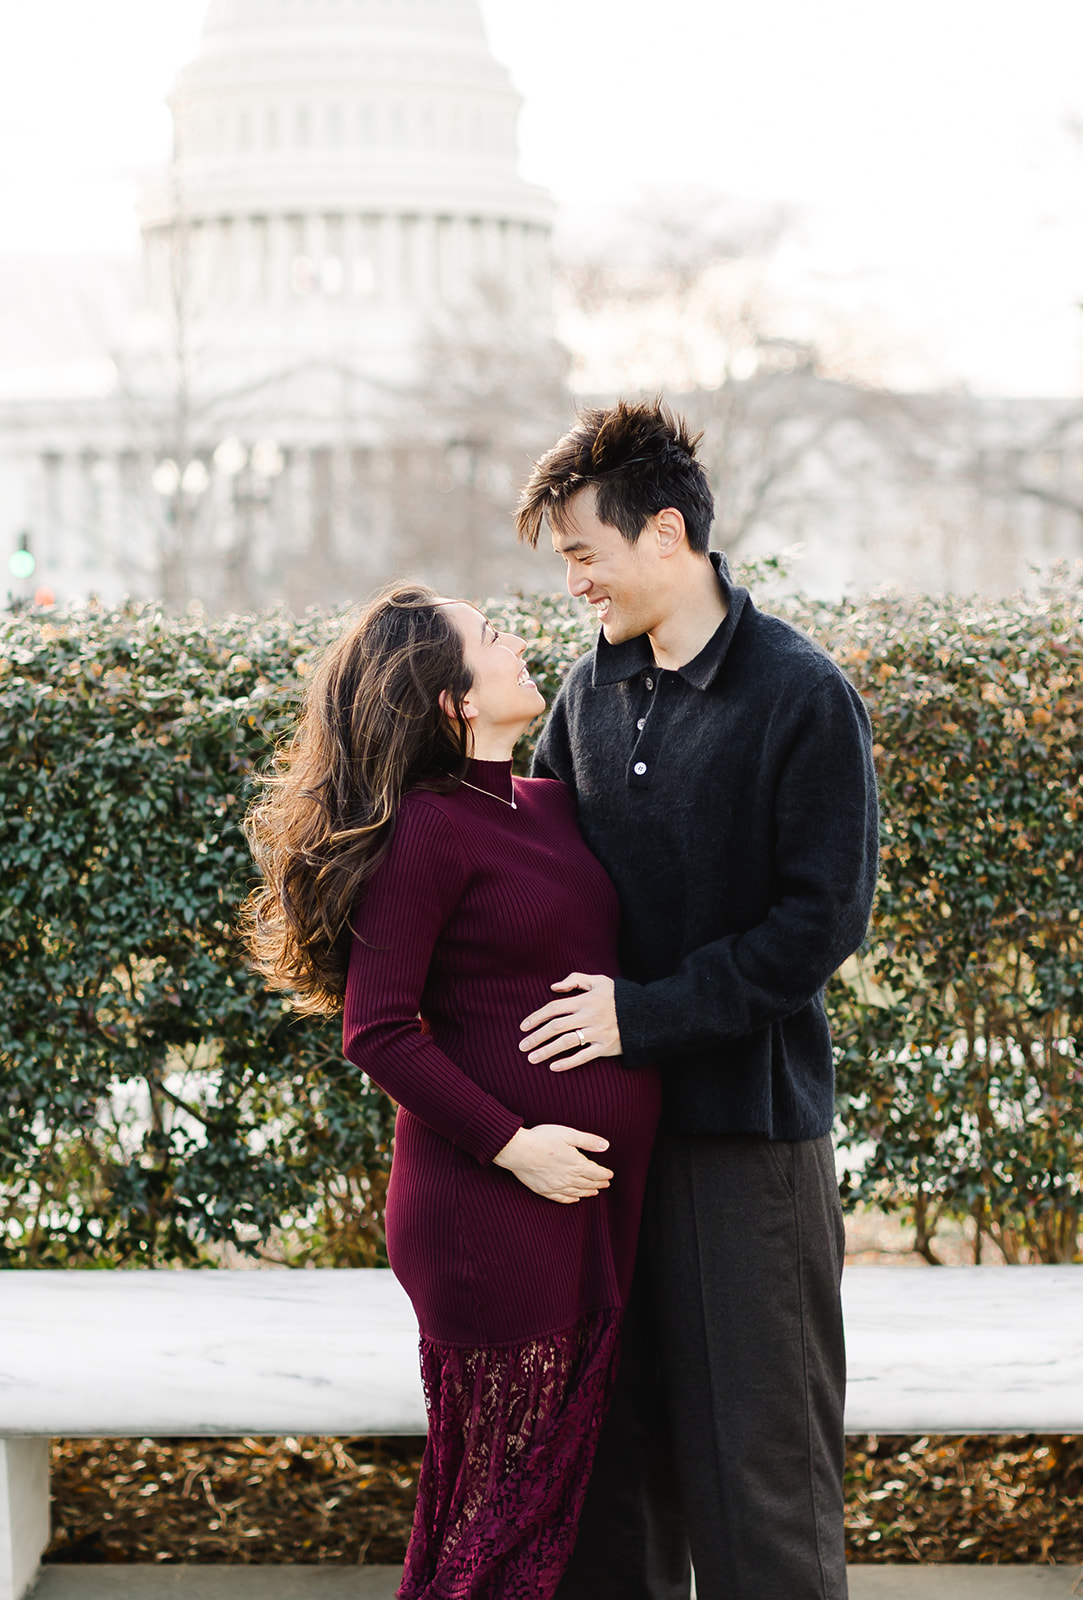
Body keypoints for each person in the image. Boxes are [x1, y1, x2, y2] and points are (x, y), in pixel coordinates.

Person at [512, 400, 879, 1600]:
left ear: (664, 533)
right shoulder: (585, 693)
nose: (574, 582)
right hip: (601, 1153)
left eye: (585, 553)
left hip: (742, 1151)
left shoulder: (800, 694)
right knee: (606, 1493)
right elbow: (542, 892)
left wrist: (644, 1013)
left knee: (757, 1496)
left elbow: (816, 927)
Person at [241, 583, 661, 1600]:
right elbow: (376, 1029)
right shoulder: (429, 829)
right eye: (491, 635)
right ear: (450, 702)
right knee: (500, 1521)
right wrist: (517, 1144)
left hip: (591, 1204)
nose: (516, 638)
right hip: (490, 1211)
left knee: (556, 1511)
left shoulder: (551, 803)